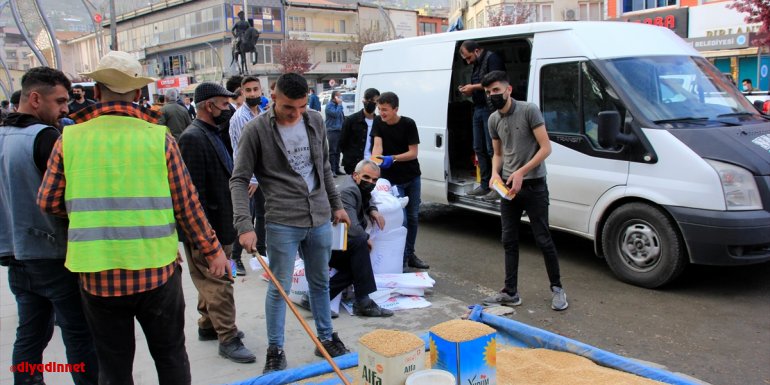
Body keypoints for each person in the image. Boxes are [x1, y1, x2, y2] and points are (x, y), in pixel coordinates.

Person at [38, 50, 230, 384]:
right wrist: (212, 250)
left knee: (113, 367)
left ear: (96, 92)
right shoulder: (158, 139)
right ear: (139, 95)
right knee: (170, 356)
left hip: (97, 274)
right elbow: (187, 204)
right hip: (156, 271)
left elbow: (49, 201)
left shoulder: (69, 139)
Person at [230, 72, 351, 373]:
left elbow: (322, 166)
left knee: (320, 281)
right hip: (283, 219)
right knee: (279, 287)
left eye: (300, 106)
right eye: (288, 107)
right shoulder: (255, 130)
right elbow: (239, 179)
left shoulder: (315, 120)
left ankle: (325, 339)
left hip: (319, 215)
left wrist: (336, 205)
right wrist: (244, 225)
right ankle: (276, 349)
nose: (295, 114)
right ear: (273, 97)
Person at [1, 67, 99, 385]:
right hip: (52, 255)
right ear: (34, 98)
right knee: (79, 335)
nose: (65, 109)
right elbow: (71, 197)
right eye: (58, 101)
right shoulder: (46, 138)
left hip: (15, 254)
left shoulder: (3, 135)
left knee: (30, 336)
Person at [178, 82, 256, 363]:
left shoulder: (213, 133)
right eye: (224, 105)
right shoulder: (192, 138)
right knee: (220, 282)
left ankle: (208, 326)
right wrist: (205, 236)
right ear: (208, 106)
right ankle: (228, 337)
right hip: (206, 230)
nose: (229, 110)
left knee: (213, 280)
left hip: (223, 226)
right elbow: (192, 194)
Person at [480, 70, 567, 311]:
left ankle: (557, 288)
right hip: (508, 189)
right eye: (488, 92)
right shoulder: (493, 119)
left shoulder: (529, 110)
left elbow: (545, 147)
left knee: (543, 239)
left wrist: (522, 172)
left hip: (534, 185)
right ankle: (510, 292)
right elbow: (497, 153)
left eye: (496, 90)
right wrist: (496, 174)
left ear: (508, 90)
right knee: (509, 239)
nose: (492, 95)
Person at [371, 91, 430, 271]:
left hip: (412, 177)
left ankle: (409, 254)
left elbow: (413, 152)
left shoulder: (408, 124)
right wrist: (378, 159)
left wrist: (393, 158)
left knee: (412, 218)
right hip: (392, 182)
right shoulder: (378, 123)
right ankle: (400, 258)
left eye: (385, 110)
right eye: (380, 109)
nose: (382, 113)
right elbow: (376, 148)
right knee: (401, 220)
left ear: (396, 109)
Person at [329, 159, 393, 317]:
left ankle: (315, 297)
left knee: (358, 265)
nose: (370, 182)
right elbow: (351, 226)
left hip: (337, 242)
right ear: (355, 175)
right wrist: (366, 238)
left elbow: (367, 197)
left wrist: (373, 210)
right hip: (328, 246)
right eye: (366, 178)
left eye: (374, 180)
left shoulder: (357, 186)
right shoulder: (348, 191)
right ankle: (363, 303)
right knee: (360, 244)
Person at [229, 76, 267, 276]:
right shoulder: (238, 118)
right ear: (242, 93)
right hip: (247, 178)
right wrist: (250, 179)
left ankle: (260, 253)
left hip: (262, 177)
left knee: (262, 216)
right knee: (245, 218)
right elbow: (239, 152)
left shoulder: (262, 114)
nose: (252, 93)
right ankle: (235, 258)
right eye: (248, 90)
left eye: (255, 89)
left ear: (261, 91)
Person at [458, 40, 506, 200]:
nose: (467, 61)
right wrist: (469, 91)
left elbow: (495, 83)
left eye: (468, 57)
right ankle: (485, 185)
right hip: (478, 108)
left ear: (477, 51)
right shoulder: (477, 63)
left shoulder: (492, 59)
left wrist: (473, 87)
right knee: (478, 148)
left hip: (491, 109)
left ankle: (497, 186)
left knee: (493, 149)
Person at [340, 88, 379, 175]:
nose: (370, 103)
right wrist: (349, 158)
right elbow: (342, 143)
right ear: (363, 100)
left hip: (372, 165)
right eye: (367, 100)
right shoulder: (351, 120)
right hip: (353, 166)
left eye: (373, 100)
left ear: (377, 102)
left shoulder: (379, 122)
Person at [324, 90, 345, 176]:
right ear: (334, 97)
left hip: (339, 130)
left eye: (340, 96)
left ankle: (337, 169)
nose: (340, 98)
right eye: (339, 96)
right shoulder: (329, 106)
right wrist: (340, 105)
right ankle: (332, 170)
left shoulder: (338, 105)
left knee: (338, 151)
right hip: (332, 131)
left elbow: (341, 117)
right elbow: (335, 114)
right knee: (333, 151)